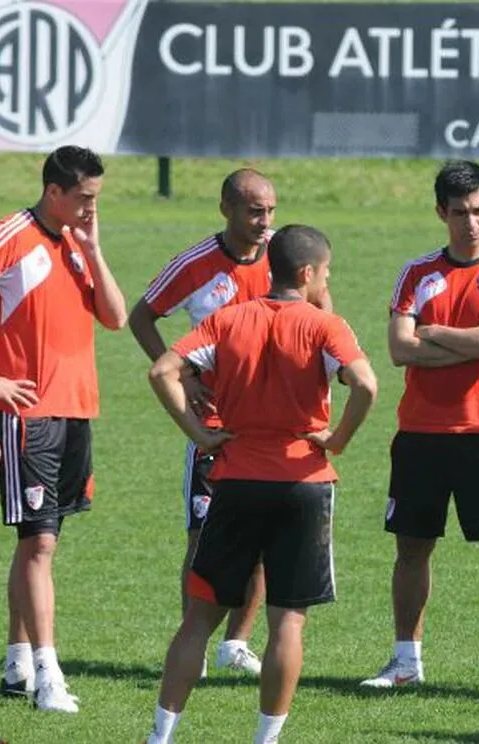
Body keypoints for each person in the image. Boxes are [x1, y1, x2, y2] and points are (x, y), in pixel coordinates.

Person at [143, 225, 376, 744]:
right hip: (304, 481)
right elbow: (365, 383)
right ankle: (266, 740)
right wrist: (337, 439)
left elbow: (162, 372)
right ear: (308, 272)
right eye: (327, 272)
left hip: (236, 479)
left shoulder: (227, 319)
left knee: (198, 619)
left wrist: (200, 434)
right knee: (288, 620)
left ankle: (160, 736)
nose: (327, 281)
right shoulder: (326, 326)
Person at [361, 160, 479, 694]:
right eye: (460, 213)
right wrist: (472, 342)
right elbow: (399, 349)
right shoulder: (416, 273)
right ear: (442, 212)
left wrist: (434, 333)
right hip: (419, 434)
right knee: (412, 548)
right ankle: (405, 661)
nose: (472, 223)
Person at [129, 169, 307, 676]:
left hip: (272, 426)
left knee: (263, 542)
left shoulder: (283, 255)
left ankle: (237, 643)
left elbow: (319, 310)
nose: (264, 221)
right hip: (214, 426)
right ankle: (195, 643)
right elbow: (141, 317)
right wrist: (181, 374)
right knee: (203, 537)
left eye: (270, 211)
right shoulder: (195, 264)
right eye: (254, 211)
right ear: (226, 209)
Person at [0, 146, 127, 712]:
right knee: (39, 541)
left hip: (76, 410)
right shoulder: (9, 236)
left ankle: (18, 663)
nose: (93, 207)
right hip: (28, 414)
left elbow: (115, 317)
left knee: (41, 542)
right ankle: (49, 676)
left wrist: (94, 249)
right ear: (54, 192)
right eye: (85, 198)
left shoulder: (76, 243)